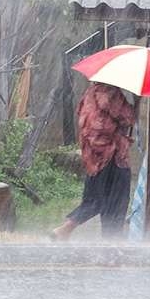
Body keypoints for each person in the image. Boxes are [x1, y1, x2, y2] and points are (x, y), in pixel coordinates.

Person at [50, 82, 136, 240]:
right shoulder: (111, 94)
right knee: (116, 202)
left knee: (94, 200)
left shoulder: (90, 94)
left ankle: (65, 230)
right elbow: (128, 117)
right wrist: (136, 102)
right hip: (113, 156)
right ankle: (110, 243)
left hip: (94, 156)